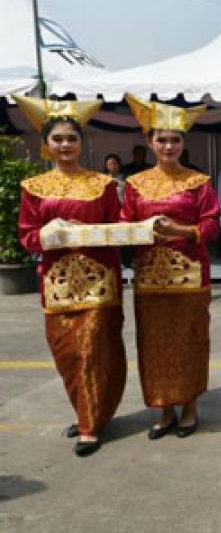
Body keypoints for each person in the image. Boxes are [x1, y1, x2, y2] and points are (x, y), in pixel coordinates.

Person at [14, 96, 126, 457]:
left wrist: (86, 230)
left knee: (94, 348)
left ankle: (91, 426)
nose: (65, 145)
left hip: (98, 279)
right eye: (58, 139)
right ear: (46, 145)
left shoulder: (102, 185)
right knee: (67, 355)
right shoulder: (33, 187)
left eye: (72, 139)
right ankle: (87, 411)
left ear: (83, 143)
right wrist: (53, 231)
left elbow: (118, 227)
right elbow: (27, 234)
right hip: (56, 282)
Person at [122, 94, 219, 439]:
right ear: (149, 142)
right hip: (150, 276)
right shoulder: (135, 185)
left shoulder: (198, 182)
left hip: (190, 276)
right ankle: (164, 409)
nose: (168, 145)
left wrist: (178, 230)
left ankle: (190, 407)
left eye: (174, 139)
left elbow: (211, 225)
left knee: (191, 340)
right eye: (161, 139)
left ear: (183, 143)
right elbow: (126, 224)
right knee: (154, 342)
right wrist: (141, 232)